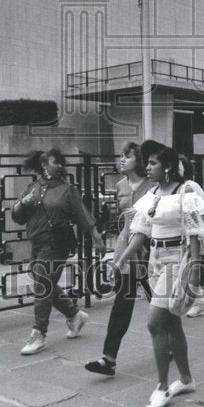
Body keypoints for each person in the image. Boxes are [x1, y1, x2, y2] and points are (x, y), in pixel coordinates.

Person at [114, 140, 204, 407]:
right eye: (147, 162)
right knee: (172, 323)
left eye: (153, 163)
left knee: (155, 323)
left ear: (167, 166)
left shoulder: (185, 192)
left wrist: (194, 270)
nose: (147, 167)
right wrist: (121, 259)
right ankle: (187, 379)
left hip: (176, 261)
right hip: (155, 260)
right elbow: (140, 231)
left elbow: (194, 234)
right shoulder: (151, 194)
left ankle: (162, 386)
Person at [12, 147, 105, 355]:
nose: (60, 166)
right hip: (36, 242)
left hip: (56, 244)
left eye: (62, 162)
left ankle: (39, 334)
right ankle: (74, 315)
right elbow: (17, 216)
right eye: (56, 162)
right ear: (44, 165)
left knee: (43, 286)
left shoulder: (67, 190)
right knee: (45, 284)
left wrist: (97, 238)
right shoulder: (32, 188)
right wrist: (21, 203)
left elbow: (83, 216)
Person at [85, 142, 152, 377]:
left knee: (159, 304)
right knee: (122, 305)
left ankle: (172, 342)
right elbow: (122, 220)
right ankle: (108, 358)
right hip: (126, 251)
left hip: (149, 251)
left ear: (139, 160)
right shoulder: (121, 185)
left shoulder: (152, 185)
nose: (122, 160)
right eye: (121, 156)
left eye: (128, 156)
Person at [178, 154, 204, 319]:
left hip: (193, 235)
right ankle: (197, 302)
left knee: (191, 268)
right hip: (184, 234)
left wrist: (198, 234)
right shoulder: (179, 187)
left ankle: (197, 303)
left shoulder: (191, 186)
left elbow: (202, 211)